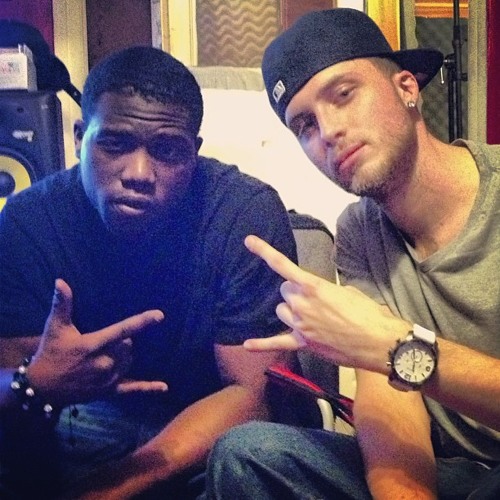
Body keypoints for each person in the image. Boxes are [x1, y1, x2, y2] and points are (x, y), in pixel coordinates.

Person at [204, 8, 500, 500]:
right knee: (248, 453)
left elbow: (390, 353)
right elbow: (391, 405)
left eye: (343, 94)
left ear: (407, 87)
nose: (327, 131)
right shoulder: (359, 231)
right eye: (304, 125)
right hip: (457, 475)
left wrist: (396, 346)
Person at [0, 46, 296, 499]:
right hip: (76, 421)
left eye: (167, 150)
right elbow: (9, 378)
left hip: (206, 430)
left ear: (194, 153)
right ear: (80, 138)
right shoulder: (28, 222)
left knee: (253, 451)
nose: (139, 173)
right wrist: (36, 382)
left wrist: (111, 488)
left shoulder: (243, 212)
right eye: (115, 144)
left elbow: (252, 395)